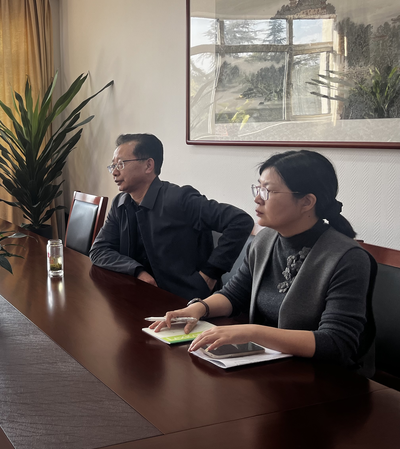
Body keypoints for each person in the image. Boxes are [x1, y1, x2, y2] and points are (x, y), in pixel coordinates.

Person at [151, 150, 375, 375]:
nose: (257, 198)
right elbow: (234, 294)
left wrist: (251, 332)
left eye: (268, 191)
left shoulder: (347, 258)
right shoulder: (265, 239)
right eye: (258, 188)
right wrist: (197, 308)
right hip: (270, 366)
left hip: (323, 378)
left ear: (307, 201)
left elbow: (336, 342)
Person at [90, 133, 253, 300]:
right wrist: (137, 271)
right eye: (113, 165)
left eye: (121, 164)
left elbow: (240, 221)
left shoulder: (180, 199)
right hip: (141, 296)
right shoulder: (121, 204)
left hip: (185, 301)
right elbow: (99, 250)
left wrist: (210, 273)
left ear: (148, 165)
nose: (114, 172)